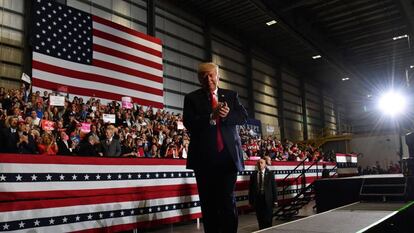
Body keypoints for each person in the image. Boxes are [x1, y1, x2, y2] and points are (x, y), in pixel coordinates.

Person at [183, 62, 248, 233]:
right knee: (208, 204)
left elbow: (243, 116)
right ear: (198, 78)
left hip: (228, 158)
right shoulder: (191, 98)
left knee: (227, 201)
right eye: (203, 75)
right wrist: (211, 116)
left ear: (218, 76)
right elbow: (189, 123)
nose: (208, 78)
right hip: (204, 160)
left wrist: (227, 116)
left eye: (211, 75)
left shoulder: (231, 95)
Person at [248, 159, 277, 230]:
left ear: (265, 164)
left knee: (268, 218)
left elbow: (274, 188)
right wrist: (250, 201)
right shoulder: (253, 175)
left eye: (261, 163)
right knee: (260, 218)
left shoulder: (270, 174)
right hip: (258, 199)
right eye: (258, 163)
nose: (259, 164)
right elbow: (251, 189)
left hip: (268, 199)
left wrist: (275, 200)